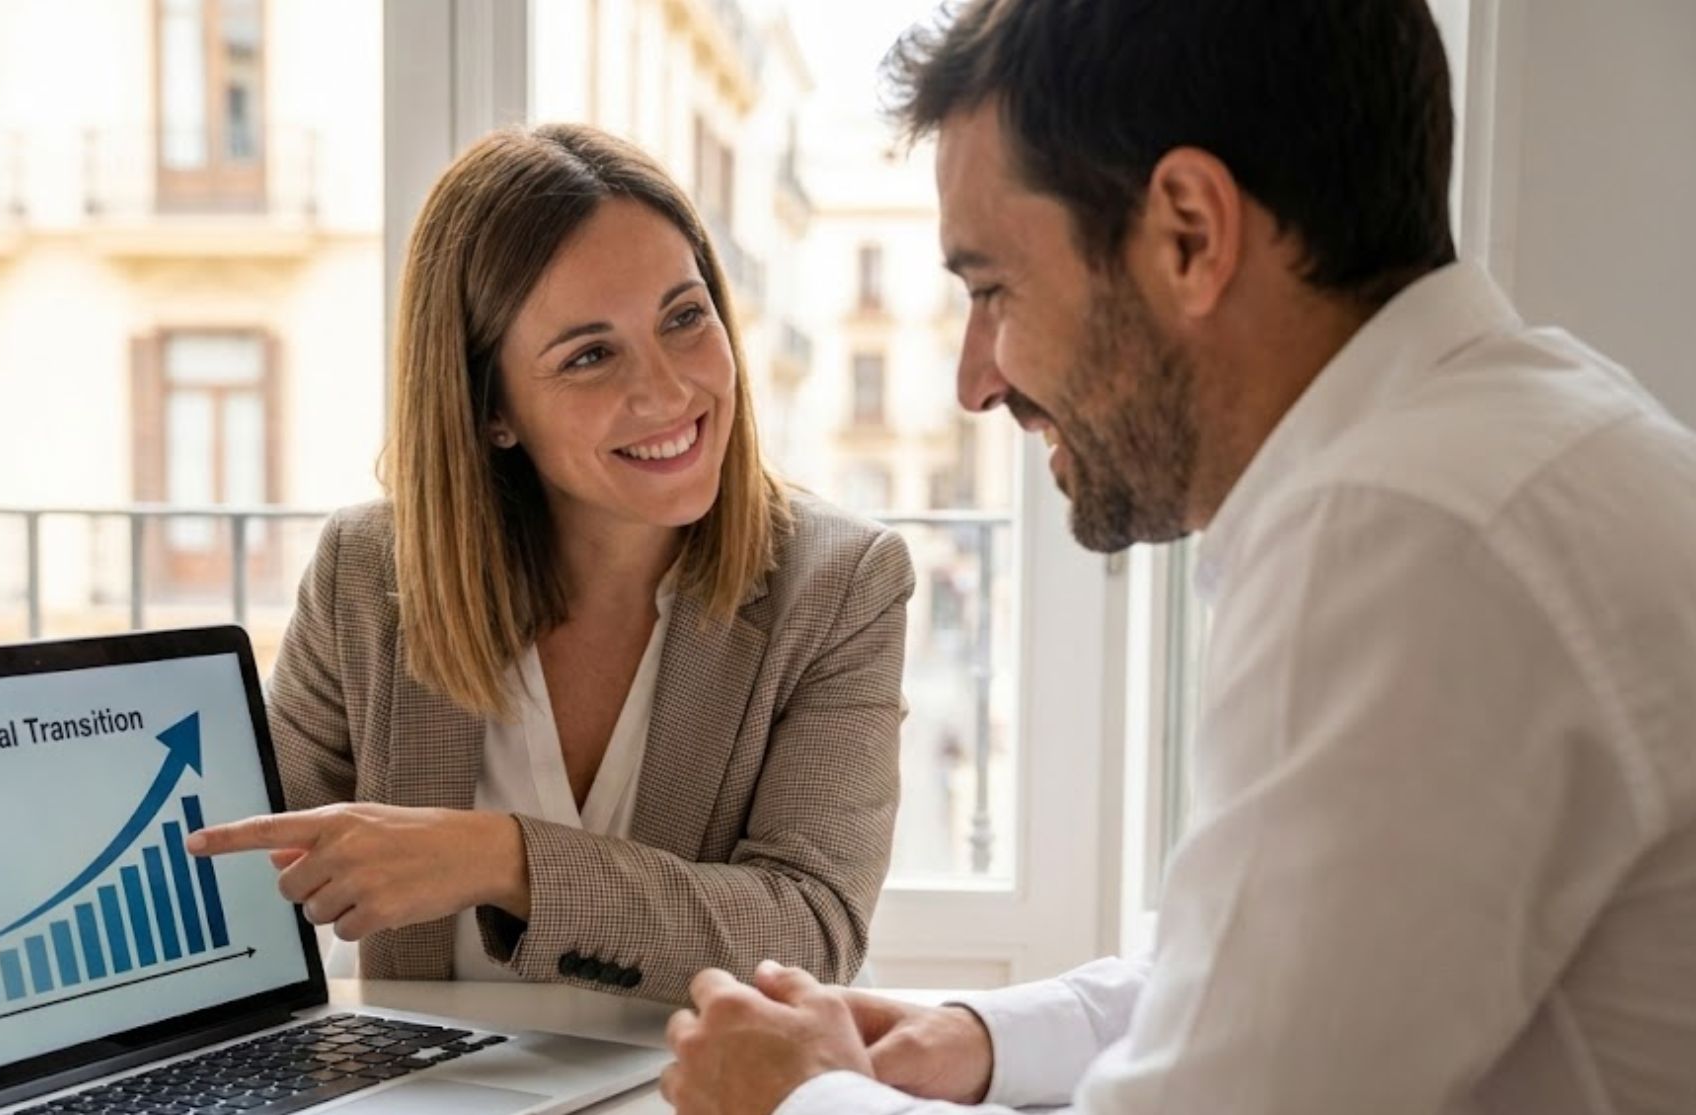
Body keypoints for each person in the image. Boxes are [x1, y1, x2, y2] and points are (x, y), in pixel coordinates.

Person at [659, 0, 1696, 1111]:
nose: (975, 379)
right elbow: (1295, 967)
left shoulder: (1406, 537)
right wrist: (973, 1033)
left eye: (992, 290)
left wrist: (799, 1098)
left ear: (1188, 234)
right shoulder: (1528, 438)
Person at [187, 124, 914, 1004]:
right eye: (590, 355)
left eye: (685, 317)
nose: (669, 391)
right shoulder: (367, 572)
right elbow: (242, 866)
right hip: (435, 1096)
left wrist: (501, 858)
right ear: (492, 409)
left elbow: (810, 928)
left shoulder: (841, 582)